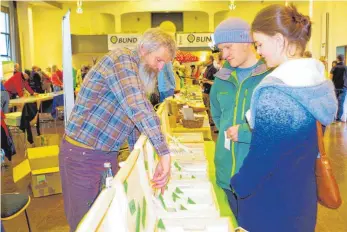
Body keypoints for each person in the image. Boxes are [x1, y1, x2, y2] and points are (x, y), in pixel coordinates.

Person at [230, 4, 337, 231]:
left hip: (270, 205)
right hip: (302, 199)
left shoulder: (276, 91)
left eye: (260, 44)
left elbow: (263, 157)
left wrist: (238, 184)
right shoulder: (318, 83)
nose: (259, 51)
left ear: (278, 40)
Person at [59, 28, 175, 231]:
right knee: (86, 223)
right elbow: (137, 106)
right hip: (82, 157)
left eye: (164, 63)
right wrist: (164, 153)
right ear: (143, 49)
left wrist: (139, 160)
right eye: (158, 60)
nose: (160, 67)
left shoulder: (136, 73)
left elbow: (133, 120)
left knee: (108, 218)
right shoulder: (121, 59)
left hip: (104, 155)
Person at [209, 17, 271, 216]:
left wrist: (245, 133)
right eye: (221, 49)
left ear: (247, 42)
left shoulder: (270, 78)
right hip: (226, 173)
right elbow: (218, 116)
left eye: (228, 47)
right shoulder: (221, 79)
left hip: (259, 176)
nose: (224, 55)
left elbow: (278, 129)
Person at [330, 55, 347, 121]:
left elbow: (330, 79)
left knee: (334, 102)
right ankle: (338, 118)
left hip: (335, 88)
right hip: (344, 88)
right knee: (341, 103)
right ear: (344, 59)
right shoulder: (346, 68)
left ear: (337, 59)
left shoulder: (334, 68)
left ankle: (333, 117)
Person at [202, 55, 217, 125]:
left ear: (211, 59)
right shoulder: (208, 68)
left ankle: (212, 121)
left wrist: (206, 81)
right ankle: (209, 120)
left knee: (210, 106)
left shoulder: (213, 68)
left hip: (210, 90)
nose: (205, 60)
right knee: (207, 105)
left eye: (206, 59)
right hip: (206, 89)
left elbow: (215, 81)